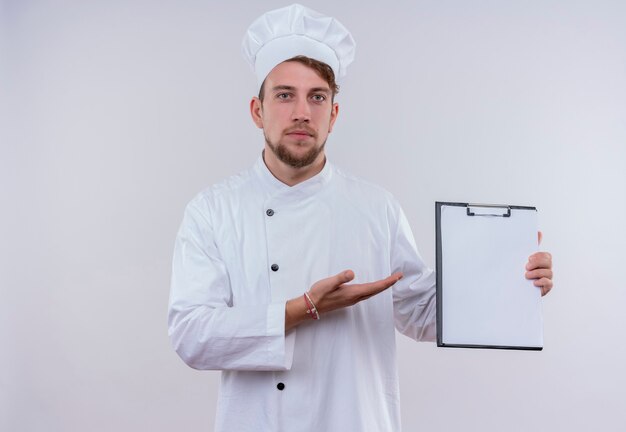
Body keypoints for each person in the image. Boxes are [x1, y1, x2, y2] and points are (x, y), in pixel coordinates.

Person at [168, 4, 554, 432]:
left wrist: (509, 276)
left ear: (333, 114)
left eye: (317, 97)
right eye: (284, 95)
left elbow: (421, 313)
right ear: (257, 110)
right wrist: (303, 308)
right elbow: (192, 336)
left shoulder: (376, 208)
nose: (301, 112)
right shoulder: (213, 210)